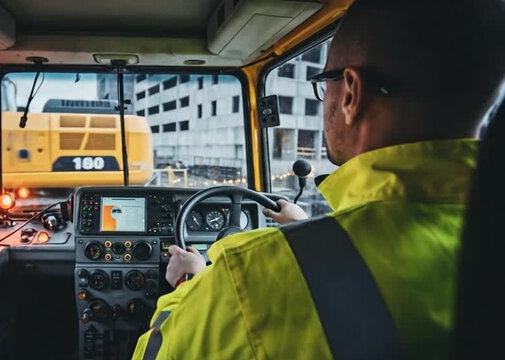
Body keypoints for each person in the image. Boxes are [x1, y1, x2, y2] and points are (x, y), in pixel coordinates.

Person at [133, 0, 505, 358]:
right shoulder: (487, 237)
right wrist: (309, 231)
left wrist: (188, 283)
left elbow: (155, 352)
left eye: (323, 82)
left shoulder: (248, 278)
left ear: (351, 94)